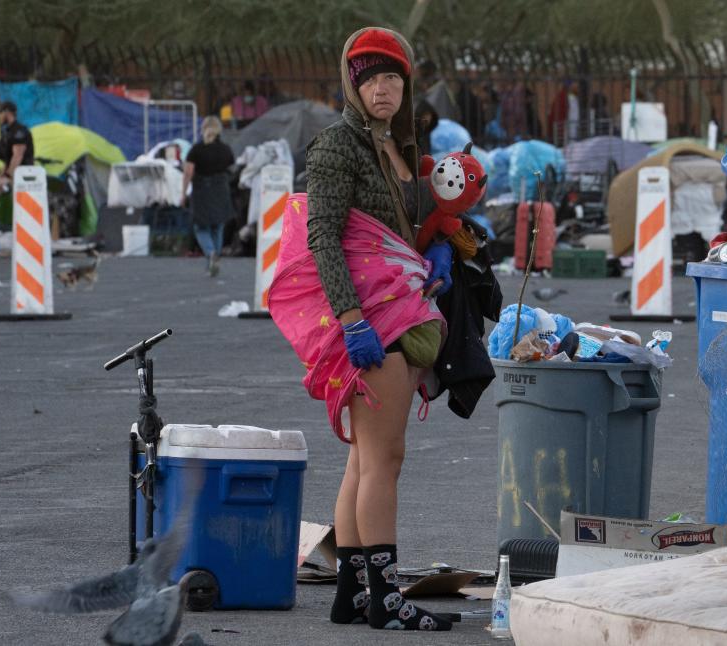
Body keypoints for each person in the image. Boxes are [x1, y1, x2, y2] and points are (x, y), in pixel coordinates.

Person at [299, 26, 454, 632]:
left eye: (393, 78)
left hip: (397, 307)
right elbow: (323, 238)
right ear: (351, 84)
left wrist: (437, 247)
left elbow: (409, 223)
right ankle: (386, 599)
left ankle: (352, 593)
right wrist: (350, 319)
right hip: (368, 320)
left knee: (363, 461)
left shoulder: (399, 145)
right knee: (385, 457)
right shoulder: (338, 145)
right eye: (371, 79)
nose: (383, 89)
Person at [182, 116, 234, 276]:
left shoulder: (196, 149)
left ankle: (210, 253)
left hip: (202, 190)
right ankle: (215, 258)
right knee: (217, 226)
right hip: (221, 189)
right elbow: (232, 166)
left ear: (202, 129)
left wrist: (183, 192)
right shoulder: (226, 149)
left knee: (200, 226)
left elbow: (188, 172)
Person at [0, 101, 34, 193]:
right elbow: (8, 159)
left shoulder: (18, 131)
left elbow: (17, 156)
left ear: (7, 112)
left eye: (0, 113)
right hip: (16, 176)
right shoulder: (9, 131)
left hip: (23, 177)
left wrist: (8, 177)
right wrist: (1, 176)